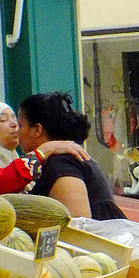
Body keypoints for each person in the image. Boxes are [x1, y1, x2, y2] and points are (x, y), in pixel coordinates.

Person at [18, 92, 126, 220]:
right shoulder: (63, 161)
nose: (17, 132)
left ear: (37, 130)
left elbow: (76, 225)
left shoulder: (62, 164)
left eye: (20, 126)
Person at [0, 101, 88, 195]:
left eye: (14, 119)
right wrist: (44, 150)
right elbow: (0, 183)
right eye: (3, 120)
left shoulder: (10, 158)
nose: (14, 124)